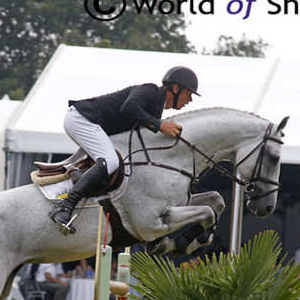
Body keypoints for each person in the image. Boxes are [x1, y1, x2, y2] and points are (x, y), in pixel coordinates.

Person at [47, 66, 199, 233]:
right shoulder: (151, 90)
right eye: (189, 93)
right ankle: (64, 207)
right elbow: (128, 108)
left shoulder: (156, 108)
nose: (190, 99)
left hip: (92, 124)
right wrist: (159, 125)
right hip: (82, 119)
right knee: (110, 161)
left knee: (118, 165)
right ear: (175, 88)